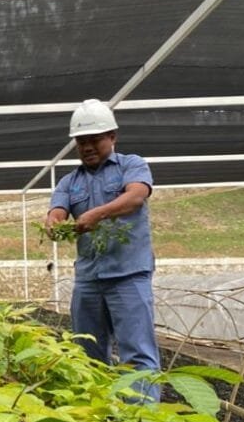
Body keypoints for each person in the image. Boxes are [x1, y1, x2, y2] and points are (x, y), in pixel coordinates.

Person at [45, 98, 161, 401]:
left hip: (128, 276)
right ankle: (98, 414)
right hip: (88, 279)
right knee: (87, 353)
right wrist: (54, 223)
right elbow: (57, 211)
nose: (87, 147)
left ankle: (142, 418)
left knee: (137, 353)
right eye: (81, 142)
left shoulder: (132, 165)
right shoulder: (69, 182)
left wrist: (98, 214)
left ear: (112, 136)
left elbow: (135, 197)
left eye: (94, 139)